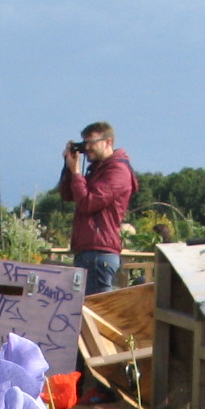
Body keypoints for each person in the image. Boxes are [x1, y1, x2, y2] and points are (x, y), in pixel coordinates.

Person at [57, 122, 136, 297]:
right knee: (84, 315)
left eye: (91, 142)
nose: (87, 148)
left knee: (97, 315)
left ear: (108, 142)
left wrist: (77, 173)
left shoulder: (118, 170)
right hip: (88, 251)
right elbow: (68, 195)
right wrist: (69, 168)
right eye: (85, 143)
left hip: (100, 253)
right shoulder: (97, 169)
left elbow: (88, 203)